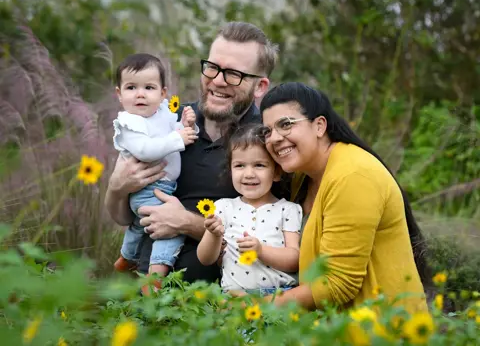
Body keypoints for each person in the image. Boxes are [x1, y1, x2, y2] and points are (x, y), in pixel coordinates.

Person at [104, 22, 279, 285]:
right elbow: (125, 216)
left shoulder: (267, 140)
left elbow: (270, 240)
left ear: (260, 86)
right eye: (212, 67)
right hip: (141, 293)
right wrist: (116, 188)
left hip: (214, 308)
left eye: (233, 74)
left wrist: (186, 222)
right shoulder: (167, 121)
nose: (217, 81)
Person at [258, 82, 429, 313]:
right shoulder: (303, 176)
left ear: (319, 126)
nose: (274, 138)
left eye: (285, 125)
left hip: (380, 330)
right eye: (267, 131)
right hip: (331, 328)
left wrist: (255, 308)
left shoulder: (353, 176)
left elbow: (338, 284)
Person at [111, 53, 198, 285]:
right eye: (131, 87)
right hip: (149, 188)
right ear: (119, 94)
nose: (140, 94)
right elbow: (145, 150)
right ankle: (155, 277)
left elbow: (174, 132)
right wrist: (179, 138)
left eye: (149, 87)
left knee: (139, 225)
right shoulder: (130, 123)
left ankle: (126, 257)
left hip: (160, 186)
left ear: (163, 94)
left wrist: (186, 125)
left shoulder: (161, 115)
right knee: (169, 228)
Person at [197, 123, 302, 295]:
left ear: (276, 172)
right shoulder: (223, 207)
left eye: (259, 165)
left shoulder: (288, 209)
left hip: (279, 297)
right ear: (230, 170)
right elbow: (205, 259)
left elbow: (294, 260)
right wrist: (214, 234)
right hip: (234, 297)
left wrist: (261, 251)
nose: (249, 174)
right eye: (240, 165)